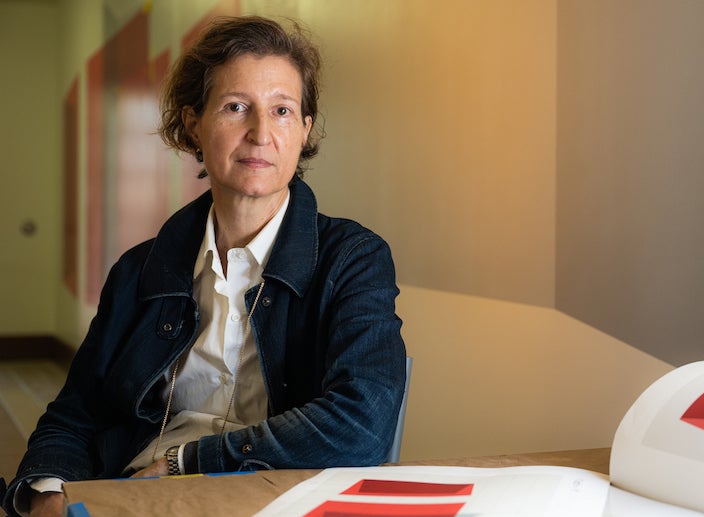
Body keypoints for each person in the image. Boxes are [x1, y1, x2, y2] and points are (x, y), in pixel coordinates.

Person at [1, 15, 406, 517]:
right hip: (139, 496)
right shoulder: (138, 270)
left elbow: (363, 423)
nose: (261, 133)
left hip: (280, 498)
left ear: (303, 131)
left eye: (282, 110)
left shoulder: (353, 258)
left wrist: (186, 461)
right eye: (237, 107)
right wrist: (45, 492)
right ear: (193, 123)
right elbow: (76, 412)